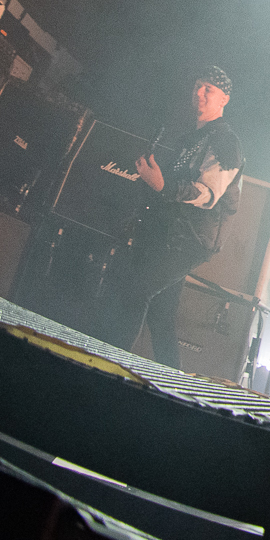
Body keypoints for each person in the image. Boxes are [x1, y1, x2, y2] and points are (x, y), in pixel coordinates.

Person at [93, 66, 244, 369]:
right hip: (170, 231)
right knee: (161, 315)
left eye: (209, 89)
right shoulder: (192, 136)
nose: (199, 93)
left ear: (224, 99)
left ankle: (109, 364)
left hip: (191, 239)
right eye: (197, 86)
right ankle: (171, 380)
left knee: (135, 291)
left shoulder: (226, 142)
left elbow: (208, 194)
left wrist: (162, 185)